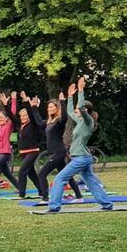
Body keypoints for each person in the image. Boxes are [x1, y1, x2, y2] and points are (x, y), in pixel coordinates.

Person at [44, 76, 113, 212]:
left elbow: (80, 107)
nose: (76, 110)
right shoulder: (80, 121)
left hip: (81, 158)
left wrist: (81, 90)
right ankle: (107, 204)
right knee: (91, 182)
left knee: (59, 178)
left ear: (85, 111)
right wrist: (70, 97)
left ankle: (54, 206)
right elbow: (70, 112)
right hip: (82, 157)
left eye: (79, 109)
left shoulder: (88, 121)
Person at [33, 91, 82, 202]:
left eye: (51, 107)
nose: (49, 109)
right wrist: (34, 107)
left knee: (42, 174)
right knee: (66, 176)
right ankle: (79, 197)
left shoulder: (59, 121)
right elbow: (39, 122)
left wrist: (62, 101)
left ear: (57, 108)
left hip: (58, 152)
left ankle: (45, 198)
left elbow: (65, 117)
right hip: (56, 152)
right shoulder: (49, 122)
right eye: (48, 107)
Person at [13, 91, 46, 200]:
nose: (23, 117)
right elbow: (11, 116)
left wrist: (26, 102)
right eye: (21, 116)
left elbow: (32, 114)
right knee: (31, 173)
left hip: (32, 151)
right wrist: (5, 105)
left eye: (25, 115)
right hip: (23, 152)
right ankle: (42, 191)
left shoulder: (33, 124)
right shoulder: (20, 125)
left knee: (22, 171)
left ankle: (21, 194)